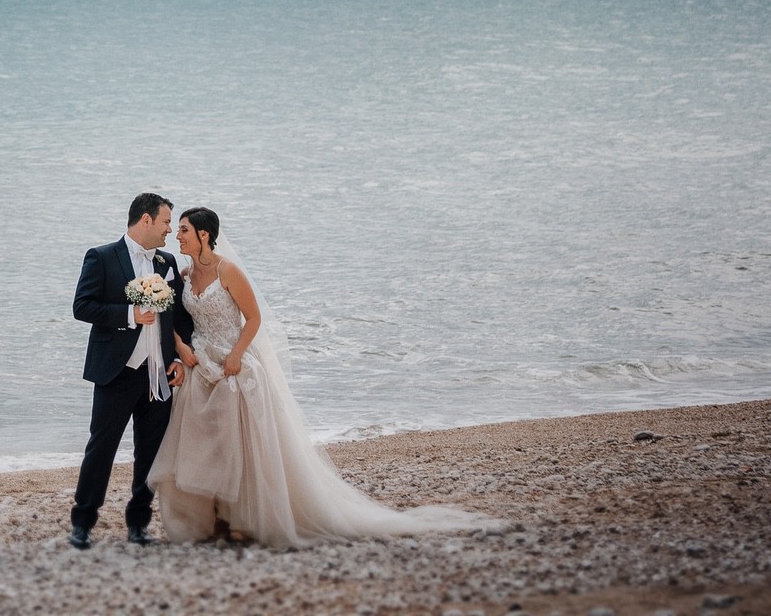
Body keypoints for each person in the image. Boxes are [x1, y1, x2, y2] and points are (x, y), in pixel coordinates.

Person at [147, 206, 505, 548]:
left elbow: (254, 319)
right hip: (201, 366)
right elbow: (178, 320)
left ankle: (241, 520)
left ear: (204, 234)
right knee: (206, 447)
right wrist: (180, 346)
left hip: (234, 367)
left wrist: (238, 355)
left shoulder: (229, 271)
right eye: (177, 229)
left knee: (243, 448)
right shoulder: (184, 275)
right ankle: (213, 519)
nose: (177, 236)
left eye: (184, 230)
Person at [67, 192, 192, 549]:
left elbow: (181, 318)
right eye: (166, 222)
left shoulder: (166, 262)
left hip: (157, 374)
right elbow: (82, 306)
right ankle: (83, 523)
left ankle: (139, 524)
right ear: (146, 220)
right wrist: (129, 315)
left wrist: (180, 359)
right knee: (101, 448)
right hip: (116, 372)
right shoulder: (102, 257)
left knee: (149, 452)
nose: (170, 229)